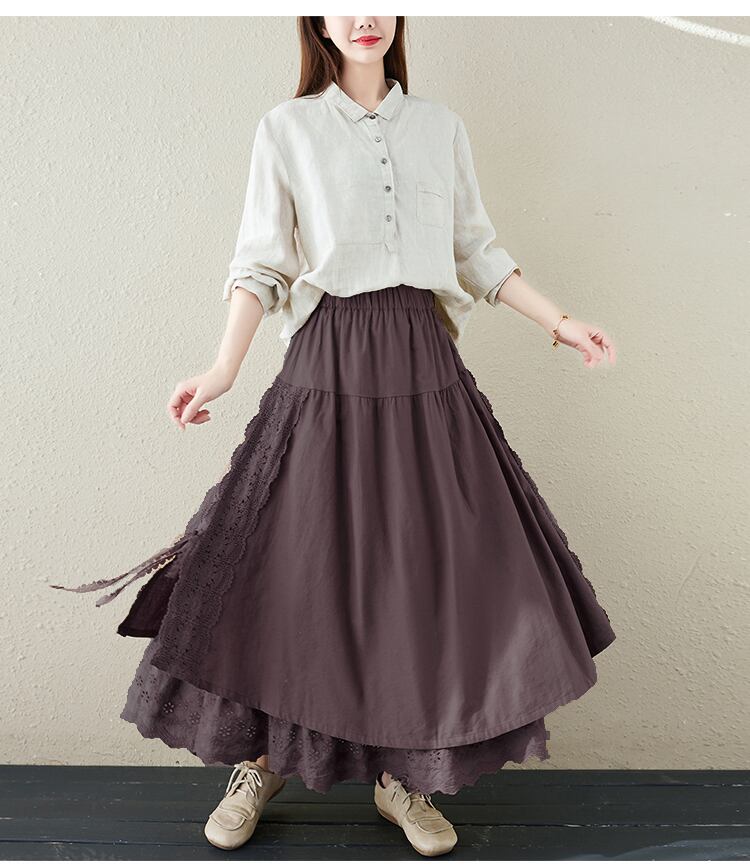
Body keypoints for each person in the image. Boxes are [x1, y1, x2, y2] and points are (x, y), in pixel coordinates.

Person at [51, 16, 617, 858]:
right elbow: (260, 262)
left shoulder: (440, 127)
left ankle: (403, 774)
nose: (364, 16)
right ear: (317, 18)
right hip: (327, 359)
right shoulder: (287, 129)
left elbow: (477, 251)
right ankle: (259, 761)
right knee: (289, 564)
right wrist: (222, 369)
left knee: (418, 574)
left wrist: (561, 323)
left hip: (422, 364)